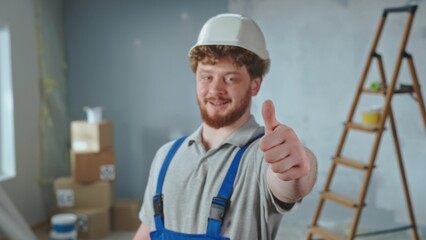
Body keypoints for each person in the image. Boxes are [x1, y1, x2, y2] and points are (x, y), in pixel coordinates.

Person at [133, 13, 317, 240]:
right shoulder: (165, 157)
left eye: (230, 78)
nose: (215, 90)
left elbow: (289, 184)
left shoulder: (262, 156)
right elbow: (147, 232)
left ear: (255, 85)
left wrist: (297, 168)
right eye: (206, 77)